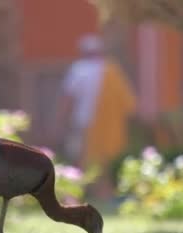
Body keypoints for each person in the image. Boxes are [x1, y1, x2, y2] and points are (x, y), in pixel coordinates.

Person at [56, 33, 136, 198]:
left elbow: (68, 99)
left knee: (80, 159)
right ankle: (102, 194)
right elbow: (129, 104)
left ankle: (74, 194)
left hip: (83, 123)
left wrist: (60, 122)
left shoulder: (79, 69)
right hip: (108, 127)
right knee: (104, 162)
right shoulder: (113, 70)